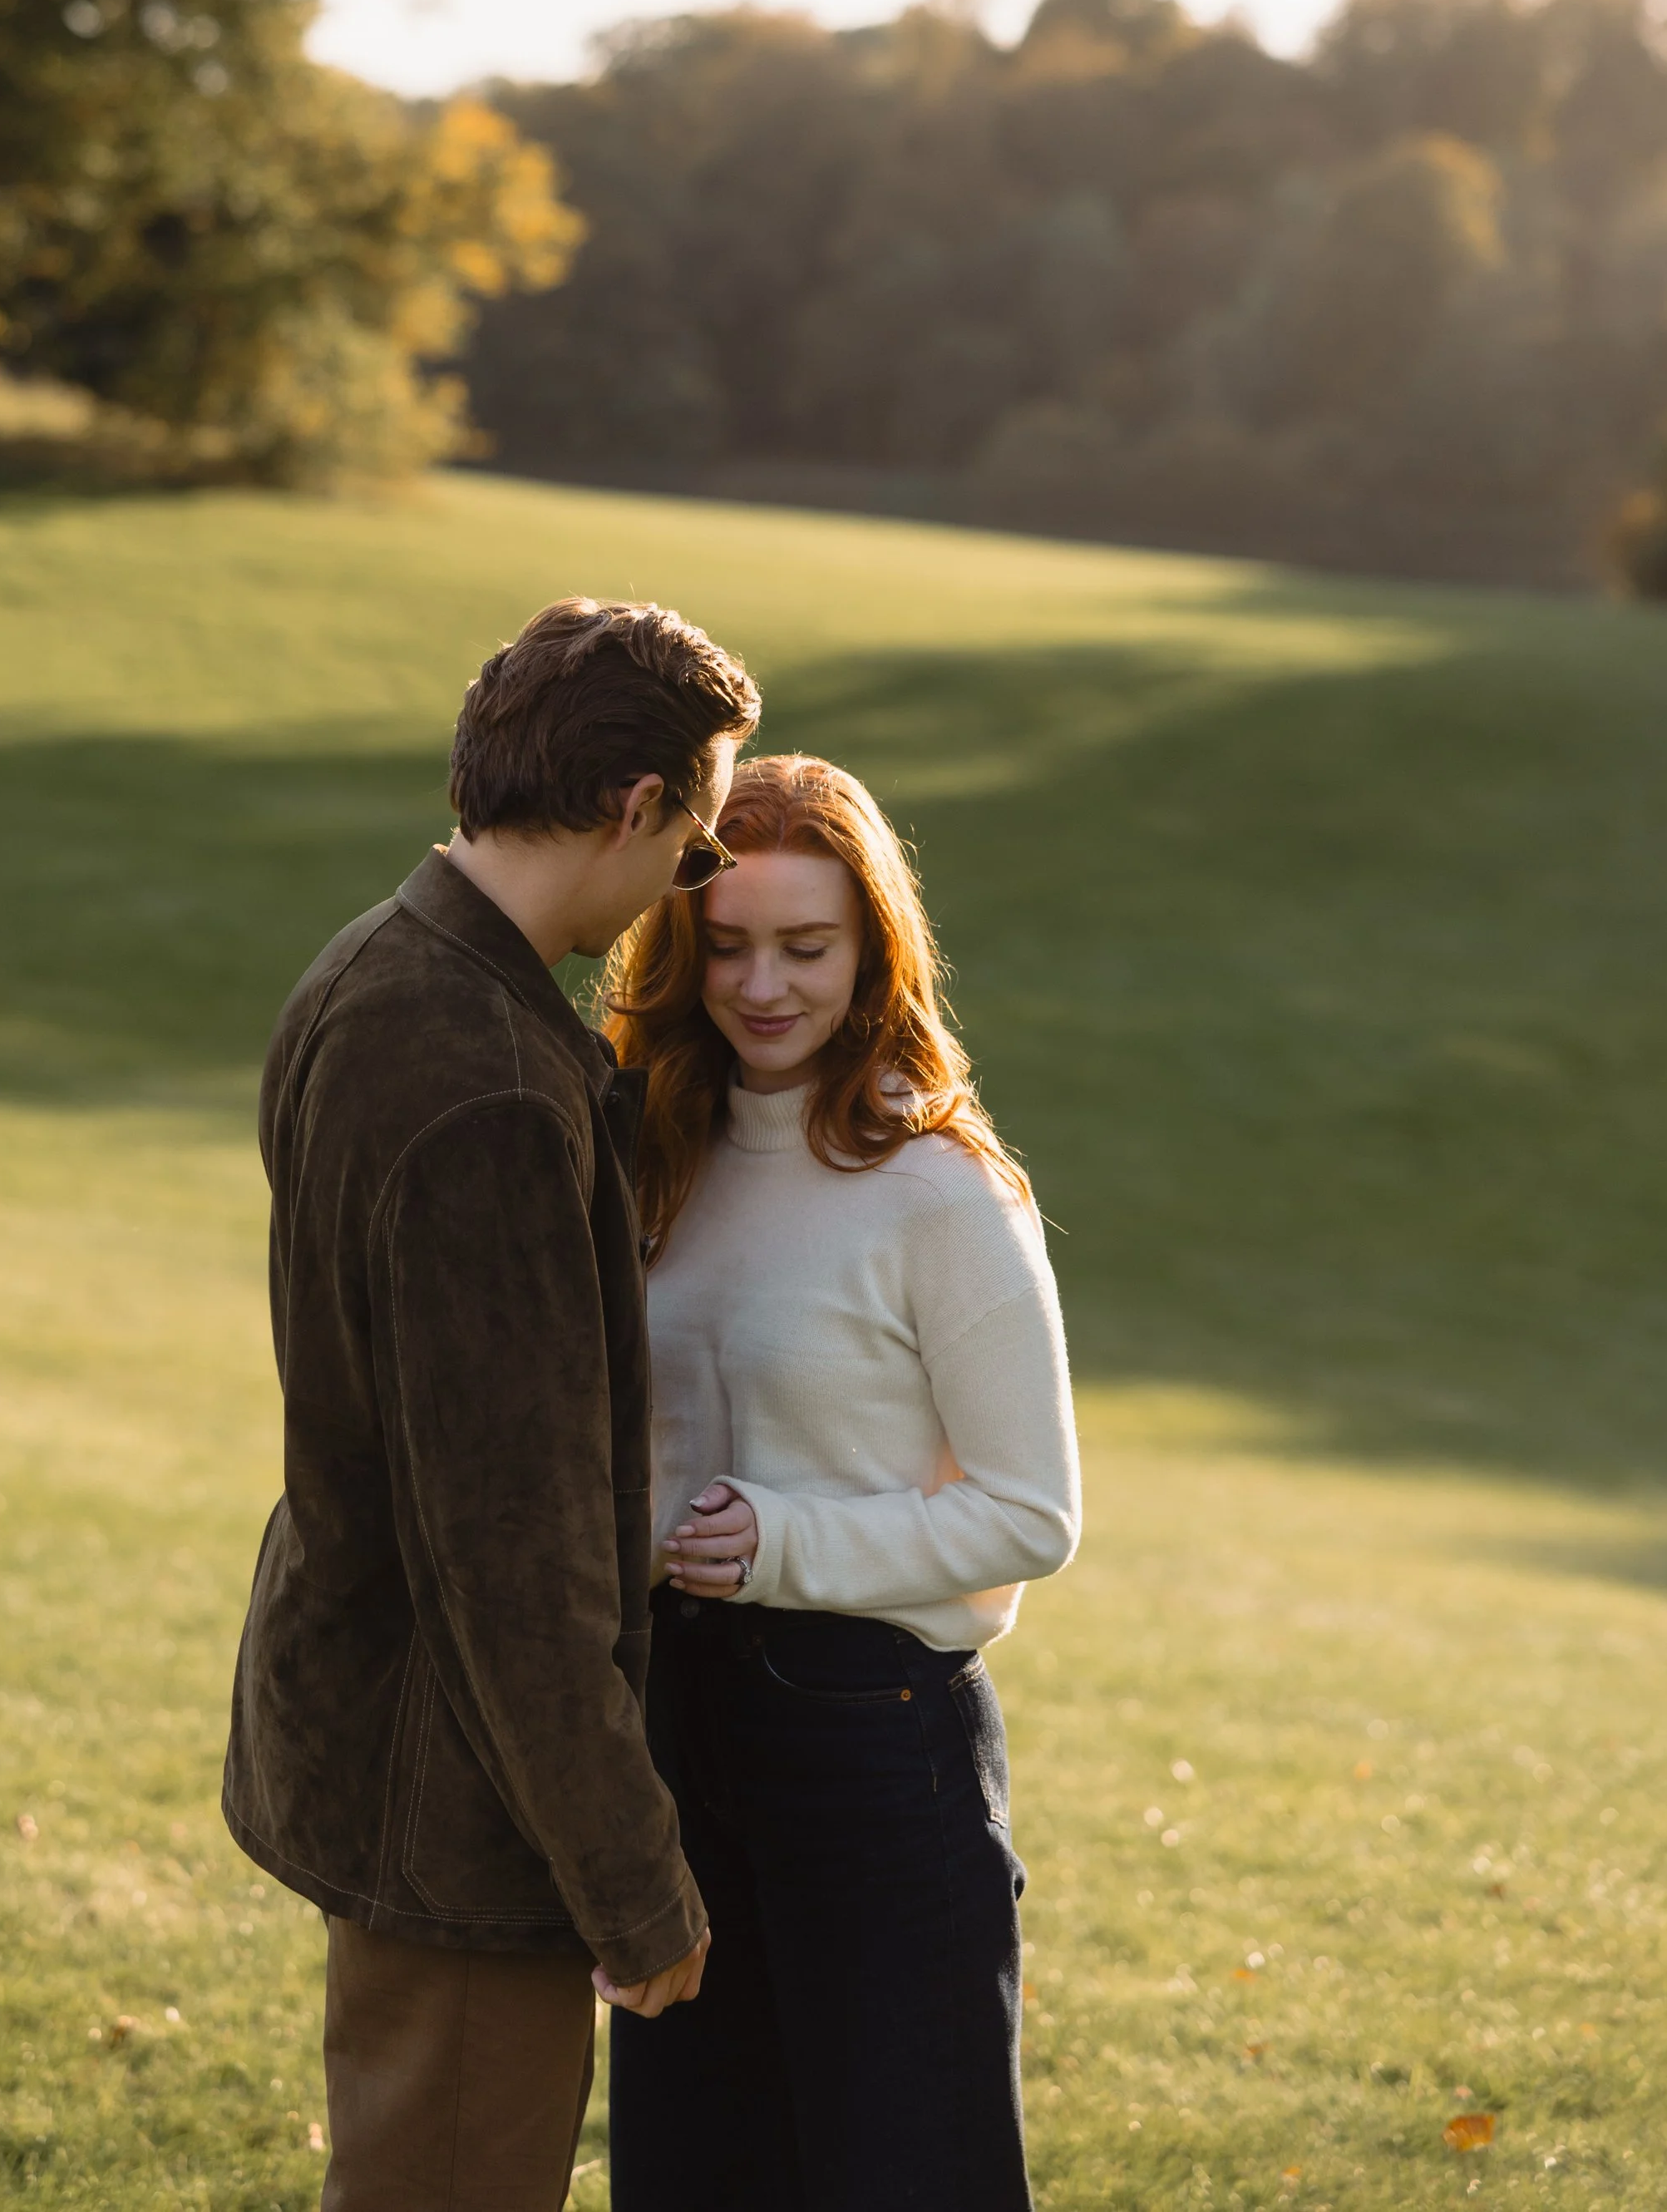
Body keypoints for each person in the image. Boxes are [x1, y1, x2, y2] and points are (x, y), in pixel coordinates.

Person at [222, 596, 762, 2212]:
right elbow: (512, 1559)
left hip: (377, 1730)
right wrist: (632, 1883)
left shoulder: (370, 963)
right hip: (455, 1796)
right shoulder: (488, 1092)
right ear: (631, 806)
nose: (694, 881)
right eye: (700, 836)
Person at [602, 752, 1081, 2212]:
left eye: (806, 947)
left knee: (897, 2172)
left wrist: (782, 1542)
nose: (762, 984)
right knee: (693, 2168)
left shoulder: (938, 1188)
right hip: (678, 1726)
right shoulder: (655, 1149)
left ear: (874, 948)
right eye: (728, 944)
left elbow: (1033, 1512)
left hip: (871, 1740)